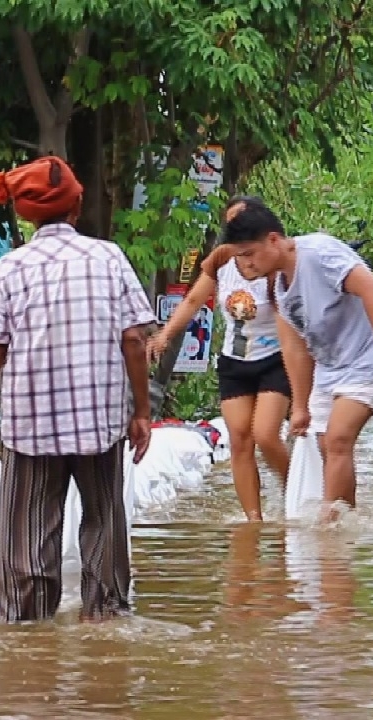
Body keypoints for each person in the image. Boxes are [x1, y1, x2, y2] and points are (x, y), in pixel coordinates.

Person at [0, 155, 155, 623]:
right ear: (76, 206)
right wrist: (141, 411)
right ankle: (104, 618)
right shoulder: (109, 257)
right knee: (104, 524)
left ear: (26, 214)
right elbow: (133, 339)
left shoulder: (10, 268)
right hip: (99, 422)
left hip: (31, 428)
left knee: (25, 539)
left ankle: (27, 636)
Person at [220, 201, 373, 519]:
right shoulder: (279, 288)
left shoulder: (319, 252)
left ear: (274, 240)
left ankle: (327, 528)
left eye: (250, 253)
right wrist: (301, 406)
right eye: (241, 257)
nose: (247, 264)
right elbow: (295, 350)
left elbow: (372, 288)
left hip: (368, 356)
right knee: (325, 446)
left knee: (337, 438)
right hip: (330, 365)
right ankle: (345, 519)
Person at [147, 196, 291, 522]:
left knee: (266, 435)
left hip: (274, 359)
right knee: (240, 438)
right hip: (235, 362)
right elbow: (194, 299)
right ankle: (253, 520)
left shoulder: (273, 264)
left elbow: (294, 321)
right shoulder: (223, 259)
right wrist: (165, 336)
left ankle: (294, 491)